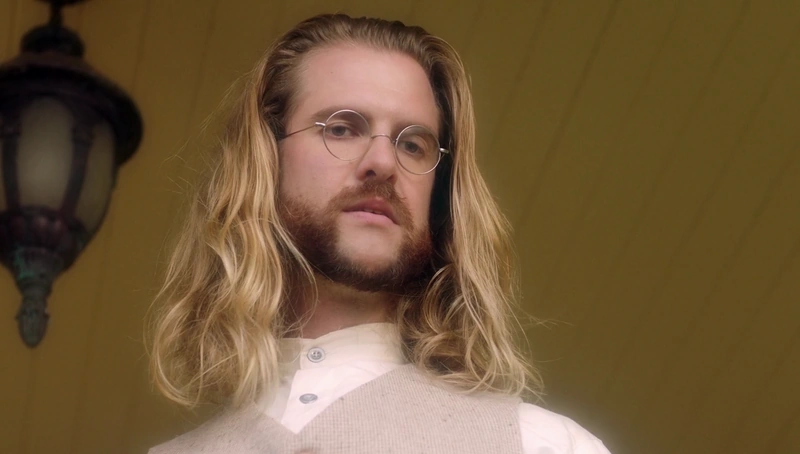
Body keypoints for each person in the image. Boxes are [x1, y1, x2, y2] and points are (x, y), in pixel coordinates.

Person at [148, 13, 611, 454]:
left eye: (412, 144)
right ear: (267, 158)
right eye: (342, 128)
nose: (384, 162)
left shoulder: (542, 444)